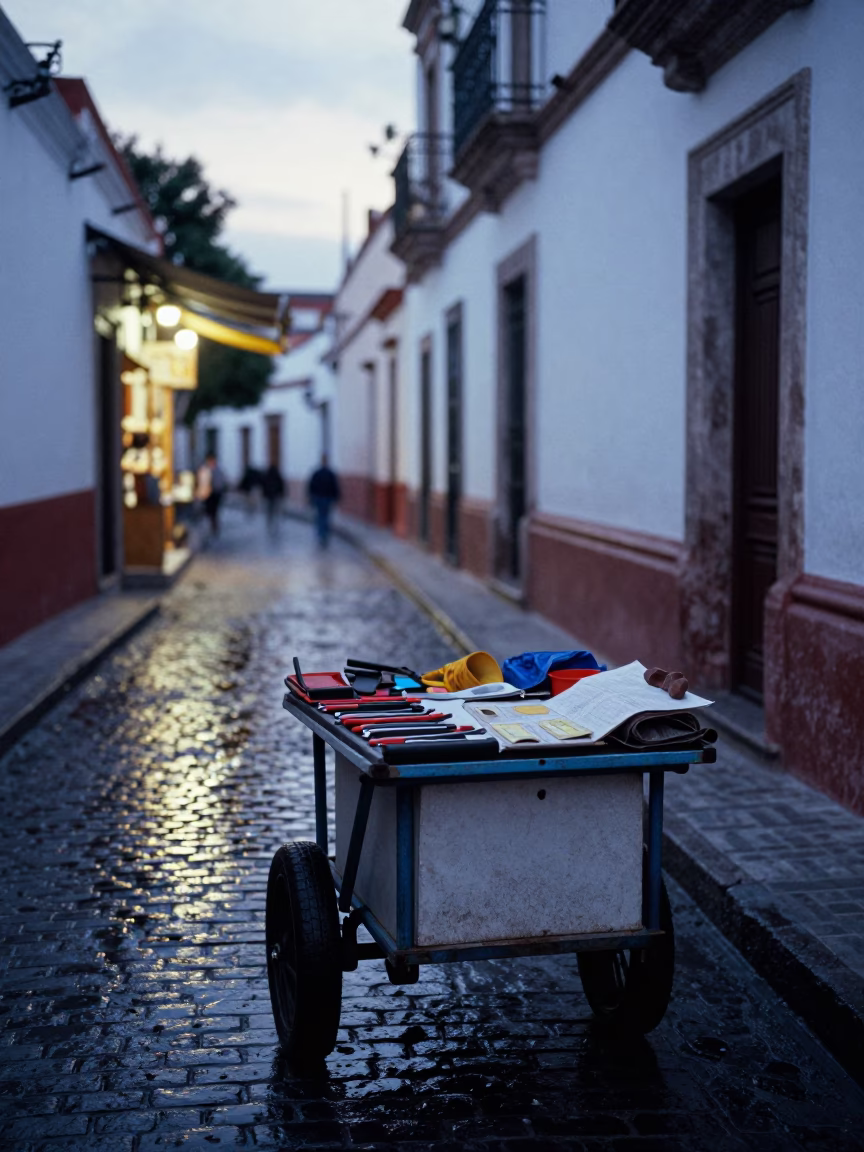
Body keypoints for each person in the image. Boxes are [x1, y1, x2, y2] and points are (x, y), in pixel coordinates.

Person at [307, 454, 341, 546]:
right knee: (325, 517)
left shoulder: (317, 473)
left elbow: (311, 486)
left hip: (319, 498)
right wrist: (336, 498)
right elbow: (335, 487)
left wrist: (311, 498)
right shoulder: (330, 474)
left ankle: (321, 534)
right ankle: (324, 534)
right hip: (327, 499)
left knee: (320, 517)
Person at [196, 452, 226, 537]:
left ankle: (213, 529)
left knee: (213, 513)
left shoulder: (217, 470)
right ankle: (209, 529)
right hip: (207, 495)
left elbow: (220, 482)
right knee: (208, 513)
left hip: (215, 494)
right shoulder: (205, 469)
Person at [261, 463, 286, 536]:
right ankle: (275, 522)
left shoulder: (266, 476)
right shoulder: (277, 476)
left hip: (268, 496)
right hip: (275, 496)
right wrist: (281, 494)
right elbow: (281, 485)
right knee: (275, 509)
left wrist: (264, 494)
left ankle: (269, 522)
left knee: (269, 510)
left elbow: (263, 485)